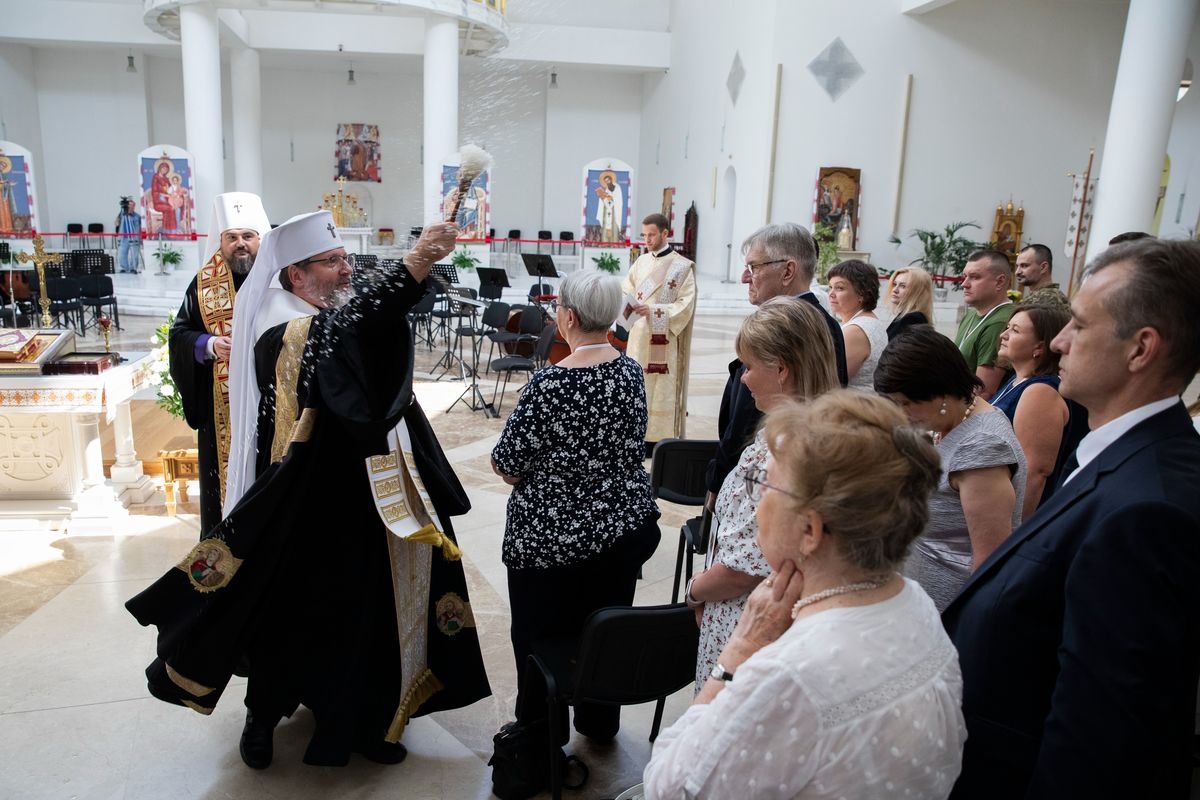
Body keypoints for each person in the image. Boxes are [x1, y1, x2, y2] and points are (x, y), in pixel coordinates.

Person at [127, 211, 490, 770]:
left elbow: (370, 338)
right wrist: (414, 263)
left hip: (368, 498)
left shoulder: (326, 311)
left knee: (366, 615)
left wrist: (410, 278)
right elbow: (345, 338)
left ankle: (369, 721)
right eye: (331, 261)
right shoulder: (282, 327)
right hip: (303, 506)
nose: (346, 269)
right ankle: (261, 717)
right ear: (295, 276)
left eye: (345, 257)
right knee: (288, 615)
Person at [943, 239, 1200, 799]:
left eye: (1078, 327)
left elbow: (1105, 736)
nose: (1058, 342)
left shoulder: (1148, 511)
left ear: (1141, 350)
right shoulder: (1116, 453)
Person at [644, 391, 967, 799]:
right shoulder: (914, 605)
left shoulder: (788, 673)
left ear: (811, 531)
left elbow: (669, 787)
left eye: (765, 485)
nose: (756, 503)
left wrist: (738, 652)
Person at [491, 269, 660, 741]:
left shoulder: (548, 386)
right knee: (603, 624)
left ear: (566, 316)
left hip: (549, 535)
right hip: (620, 527)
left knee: (537, 635)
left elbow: (507, 463)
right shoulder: (629, 371)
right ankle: (599, 720)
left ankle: (542, 730)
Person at [686, 297, 838, 689]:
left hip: (749, 620)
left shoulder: (781, 454)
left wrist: (695, 590)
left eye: (750, 366)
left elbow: (744, 567)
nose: (744, 378)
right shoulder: (828, 427)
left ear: (782, 369)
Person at [874, 325, 1026, 612]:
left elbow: (989, 560)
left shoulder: (981, 447)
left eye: (906, 403)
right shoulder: (954, 422)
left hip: (950, 608)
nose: (900, 413)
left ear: (940, 392)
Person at [704, 222, 848, 501]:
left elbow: (747, 419)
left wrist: (718, 480)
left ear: (788, 271)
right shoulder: (824, 322)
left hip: (767, 483)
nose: (746, 278)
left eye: (754, 267)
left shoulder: (790, 328)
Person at [168, 192, 270, 535]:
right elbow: (180, 332)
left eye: (248, 236)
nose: (240, 244)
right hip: (222, 405)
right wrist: (209, 344)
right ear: (221, 241)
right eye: (232, 237)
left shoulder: (282, 279)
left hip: (273, 400)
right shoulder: (202, 284)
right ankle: (223, 545)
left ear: (261, 239)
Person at [993, 304, 1088, 519]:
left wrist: (1014, 534)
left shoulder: (1040, 391)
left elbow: (1034, 472)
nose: (1003, 335)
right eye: (1007, 327)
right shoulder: (1018, 380)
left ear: (1040, 347)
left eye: (1015, 330)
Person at [621, 213, 697, 454]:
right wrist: (628, 307)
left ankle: (657, 440)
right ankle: (636, 435)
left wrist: (654, 311)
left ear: (665, 233)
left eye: (652, 234)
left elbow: (686, 304)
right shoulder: (640, 262)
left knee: (659, 387)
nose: (647, 240)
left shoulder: (681, 267)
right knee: (637, 384)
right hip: (638, 339)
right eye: (644, 235)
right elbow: (627, 291)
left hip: (663, 341)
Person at [953, 249, 1015, 400]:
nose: (964, 284)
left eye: (974, 277)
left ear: (1000, 282)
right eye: (965, 276)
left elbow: (983, 391)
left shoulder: (1000, 321)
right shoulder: (971, 314)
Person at [827, 259, 888, 390]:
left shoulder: (856, 330)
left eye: (839, 288)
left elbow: (833, 381)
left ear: (861, 294)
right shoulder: (867, 320)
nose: (831, 294)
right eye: (830, 287)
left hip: (854, 406)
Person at [885, 265, 934, 339]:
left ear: (917, 292)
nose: (895, 290)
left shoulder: (912, 319)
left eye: (903, 286)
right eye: (894, 284)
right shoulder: (909, 316)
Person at [1015, 244, 1068, 308]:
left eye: (1024, 266)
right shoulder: (1052, 295)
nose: (1017, 272)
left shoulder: (1045, 300)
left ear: (1043, 267)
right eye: (1017, 266)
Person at [113, 197, 142, 274]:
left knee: (134, 254)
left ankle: (133, 268)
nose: (131, 207)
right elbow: (116, 223)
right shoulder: (122, 215)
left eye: (132, 205)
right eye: (129, 205)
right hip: (123, 238)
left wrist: (140, 238)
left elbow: (140, 228)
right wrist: (121, 213)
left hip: (134, 237)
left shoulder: (137, 216)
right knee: (122, 254)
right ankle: (124, 268)